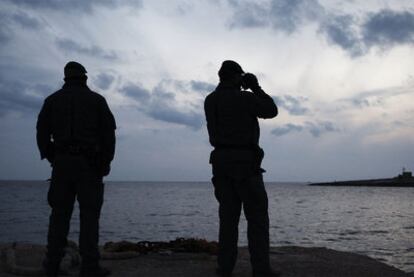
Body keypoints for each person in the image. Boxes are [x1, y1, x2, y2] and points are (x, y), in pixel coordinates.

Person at [37, 61, 116, 277]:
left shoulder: (52, 101)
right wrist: (105, 162)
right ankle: (90, 266)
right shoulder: (97, 101)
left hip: (62, 165)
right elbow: (109, 135)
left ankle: (52, 265)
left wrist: (53, 157)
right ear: (85, 78)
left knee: (59, 215)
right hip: (89, 166)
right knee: (90, 217)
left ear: (66, 78)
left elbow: (41, 133)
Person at [204, 60, 279, 277]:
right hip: (246, 164)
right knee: (257, 219)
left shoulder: (210, 100)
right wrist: (255, 87)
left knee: (227, 219)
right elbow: (271, 111)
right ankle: (261, 269)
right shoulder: (246, 98)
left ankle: (225, 267)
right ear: (236, 77)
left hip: (221, 164)